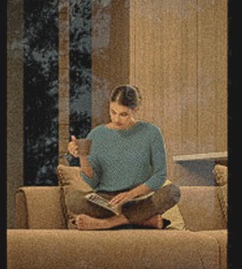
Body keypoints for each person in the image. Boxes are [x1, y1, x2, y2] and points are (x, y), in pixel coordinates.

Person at [64, 84, 178, 230]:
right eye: (113, 112)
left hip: (139, 199)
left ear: (135, 109)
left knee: (172, 192)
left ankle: (108, 223)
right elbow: (92, 182)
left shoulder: (152, 133)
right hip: (106, 202)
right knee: (72, 199)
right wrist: (83, 156)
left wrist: (130, 194)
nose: (116, 119)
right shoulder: (96, 135)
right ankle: (141, 221)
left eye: (123, 114)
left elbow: (160, 175)